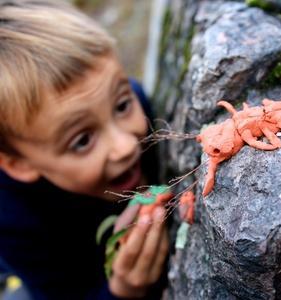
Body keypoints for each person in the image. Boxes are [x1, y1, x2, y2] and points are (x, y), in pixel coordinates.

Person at [0, 1, 169, 299]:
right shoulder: (13, 220)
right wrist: (124, 289)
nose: (126, 146)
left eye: (121, 105)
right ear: (20, 164)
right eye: (82, 140)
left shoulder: (137, 101)